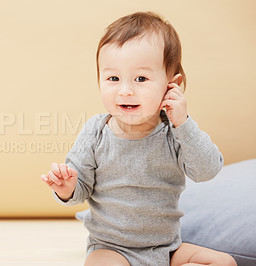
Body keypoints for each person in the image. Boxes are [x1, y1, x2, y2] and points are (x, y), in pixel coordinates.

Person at [40, 12, 237, 266]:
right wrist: (67, 189)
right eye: (113, 78)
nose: (125, 90)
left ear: (171, 85)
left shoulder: (175, 133)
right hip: (111, 249)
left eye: (141, 79)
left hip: (166, 249)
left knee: (225, 262)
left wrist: (184, 123)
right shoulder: (95, 132)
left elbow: (207, 170)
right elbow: (81, 189)